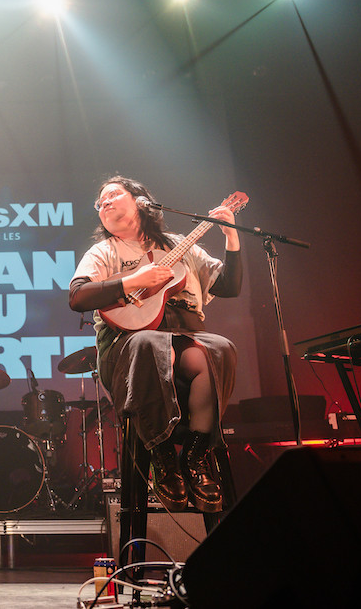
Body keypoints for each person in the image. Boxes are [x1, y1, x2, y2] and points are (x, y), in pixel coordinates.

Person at [68, 175, 242, 513]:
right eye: (100, 202)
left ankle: (195, 456)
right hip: (127, 347)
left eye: (113, 195)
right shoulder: (104, 251)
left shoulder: (179, 244)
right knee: (149, 343)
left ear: (140, 201)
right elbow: (77, 297)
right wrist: (133, 280)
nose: (105, 203)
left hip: (186, 335)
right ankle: (162, 455)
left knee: (219, 348)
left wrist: (231, 236)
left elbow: (229, 286)